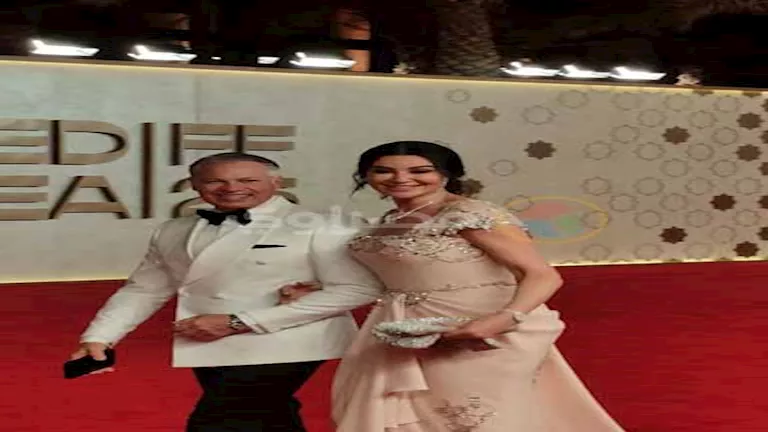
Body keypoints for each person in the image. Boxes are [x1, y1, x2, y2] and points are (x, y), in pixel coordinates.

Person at [69, 152, 381, 432]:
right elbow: (145, 289)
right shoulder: (173, 229)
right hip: (206, 338)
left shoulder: (324, 224)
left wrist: (239, 322)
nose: (231, 188)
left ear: (277, 183)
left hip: (291, 338)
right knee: (269, 417)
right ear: (194, 185)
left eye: (247, 180)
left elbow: (358, 289)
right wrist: (100, 337)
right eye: (215, 181)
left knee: (220, 420)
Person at [330, 141, 626, 431]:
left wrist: (499, 322)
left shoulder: (470, 214)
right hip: (403, 329)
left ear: (447, 174)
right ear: (366, 176)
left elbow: (542, 275)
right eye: (384, 171)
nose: (401, 178)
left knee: (472, 415)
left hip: (479, 328)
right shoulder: (392, 219)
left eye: (420, 171)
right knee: (424, 416)